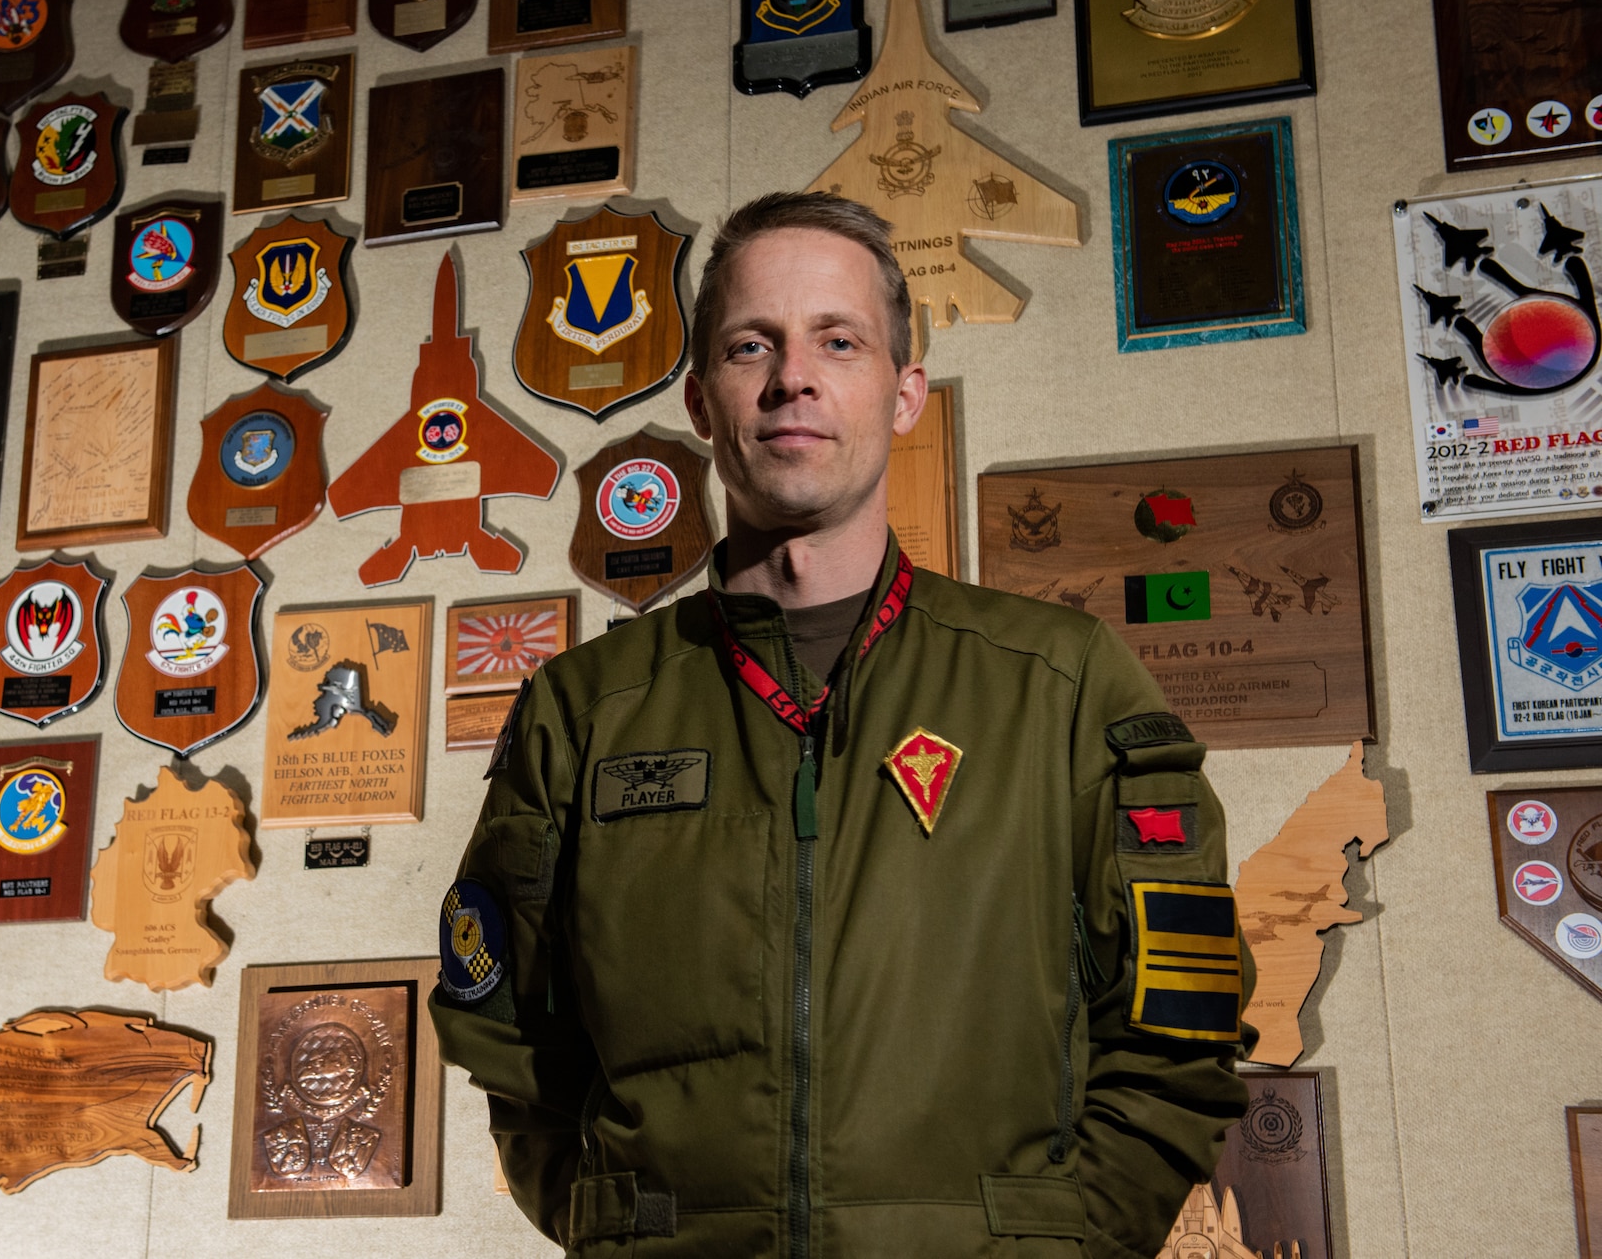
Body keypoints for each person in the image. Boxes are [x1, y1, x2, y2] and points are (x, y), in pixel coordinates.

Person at [431, 191, 1253, 1258]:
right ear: (698, 399)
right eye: (748, 345)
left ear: (903, 391)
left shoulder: (1061, 685)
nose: (791, 379)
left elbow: (1177, 1032)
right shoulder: (585, 712)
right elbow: (507, 1037)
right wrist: (622, 1230)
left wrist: (1062, 1243)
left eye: (838, 340)